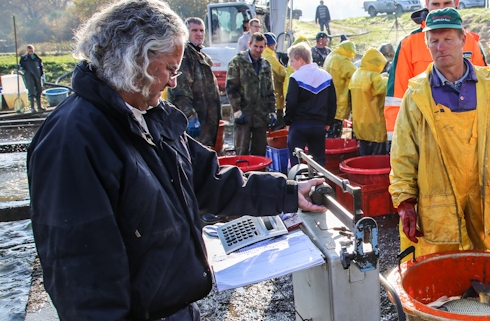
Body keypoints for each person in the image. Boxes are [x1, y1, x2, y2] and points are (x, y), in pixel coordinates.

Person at [26, 1, 326, 320]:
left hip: (178, 308)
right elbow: (81, 276)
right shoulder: (71, 141)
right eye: (170, 68)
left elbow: (208, 179)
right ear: (135, 60)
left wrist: (288, 193)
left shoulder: (153, 115)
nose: (173, 82)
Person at [389, 8, 490, 258]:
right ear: (427, 44)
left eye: (448, 39)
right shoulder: (416, 94)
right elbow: (403, 152)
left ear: (463, 40)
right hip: (435, 203)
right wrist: (405, 201)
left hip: (484, 197)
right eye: (434, 41)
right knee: (437, 275)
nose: (441, 47)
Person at [384, 0, 487, 143]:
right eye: (436, 4)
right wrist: (395, 139)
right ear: (427, 5)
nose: (442, 8)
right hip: (422, 135)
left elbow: (485, 93)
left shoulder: (471, 42)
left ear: (456, 4)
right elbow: (396, 97)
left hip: (467, 136)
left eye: (447, 3)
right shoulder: (408, 44)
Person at [168, 17, 221, 147]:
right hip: (192, 122)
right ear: (186, 32)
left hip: (205, 121)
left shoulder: (200, 55)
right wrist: (190, 117)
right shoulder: (184, 55)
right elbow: (180, 91)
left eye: (202, 31)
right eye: (194, 30)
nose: (199, 34)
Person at [284, 42, 336, 166]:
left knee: (296, 161)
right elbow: (332, 102)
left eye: (292, 61)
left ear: (301, 60)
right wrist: (328, 121)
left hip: (299, 125)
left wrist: (287, 121)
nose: (291, 65)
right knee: (319, 161)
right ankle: (321, 184)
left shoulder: (296, 77)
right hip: (319, 126)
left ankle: (297, 184)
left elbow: (291, 102)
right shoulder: (326, 77)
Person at [226, 33, 276, 156]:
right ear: (249, 45)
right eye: (255, 46)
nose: (258, 50)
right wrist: (237, 110)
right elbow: (231, 88)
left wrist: (272, 111)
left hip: (261, 115)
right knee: (241, 150)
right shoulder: (237, 62)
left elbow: (270, 90)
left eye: (261, 47)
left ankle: (258, 175)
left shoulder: (266, 65)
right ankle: (241, 175)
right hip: (243, 113)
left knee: (259, 152)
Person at [349, 48, 388, 156]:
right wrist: (387, 78)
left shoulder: (356, 74)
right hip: (375, 124)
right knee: (376, 158)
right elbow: (385, 88)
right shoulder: (373, 76)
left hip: (360, 124)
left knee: (363, 156)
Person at [323, 40, 357, 138]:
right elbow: (356, 75)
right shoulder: (342, 61)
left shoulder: (330, 57)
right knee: (335, 133)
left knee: (328, 131)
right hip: (339, 101)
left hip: (327, 100)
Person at [262, 32, 287, 130]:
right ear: (272, 44)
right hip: (275, 96)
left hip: (264, 98)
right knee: (277, 125)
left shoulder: (265, 54)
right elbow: (280, 73)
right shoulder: (269, 57)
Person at [19, 44, 45, 112]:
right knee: (31, 91)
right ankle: (32, 107)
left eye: (32, 51)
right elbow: (21, 66)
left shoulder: (37, 58)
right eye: (29, 51)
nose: (31, 52)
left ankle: (39, 106)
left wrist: (42, 75)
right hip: (29, 75)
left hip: (37, 75)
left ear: (33, 50)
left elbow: (41, 67)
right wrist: (19, 68)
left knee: (39, 90)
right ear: (27, 50)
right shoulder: (24, 58)